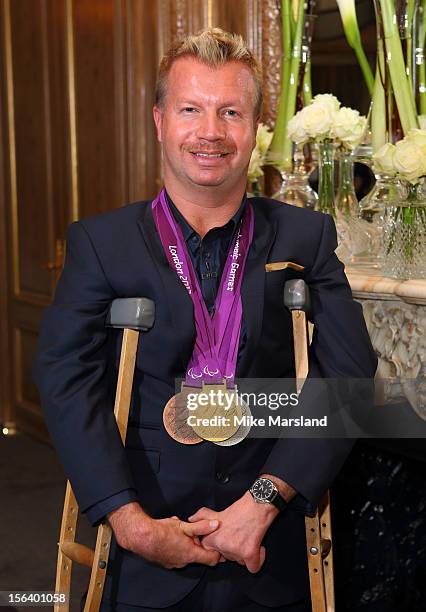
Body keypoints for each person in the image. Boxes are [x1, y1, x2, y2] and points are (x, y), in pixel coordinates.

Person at [33, 28, 377, 612]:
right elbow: (68, 384)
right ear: (160, 120)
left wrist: (262, 503)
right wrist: (131, 523)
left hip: (265, 545)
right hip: (143, 542)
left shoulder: (305, 236)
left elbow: (351, 379)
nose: (211, 132)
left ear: (256, 128)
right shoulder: (100, 243)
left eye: (231, 112)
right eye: (191, 109)